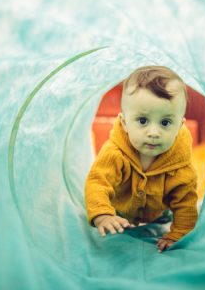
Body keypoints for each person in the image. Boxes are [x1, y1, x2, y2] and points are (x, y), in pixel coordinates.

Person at [84, 66, 198, 253]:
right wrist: (103, 215)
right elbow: (97, 182)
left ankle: (164, 219)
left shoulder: (181, 166)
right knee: (103, 207)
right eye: (143, 121)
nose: (153, 133)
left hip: (161, 212)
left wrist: (178, 233)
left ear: (180, 126)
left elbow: (186, 202)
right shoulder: (115, 153)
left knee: (178, 208)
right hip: (120, 210)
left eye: (165, 122)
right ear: (124, 123)